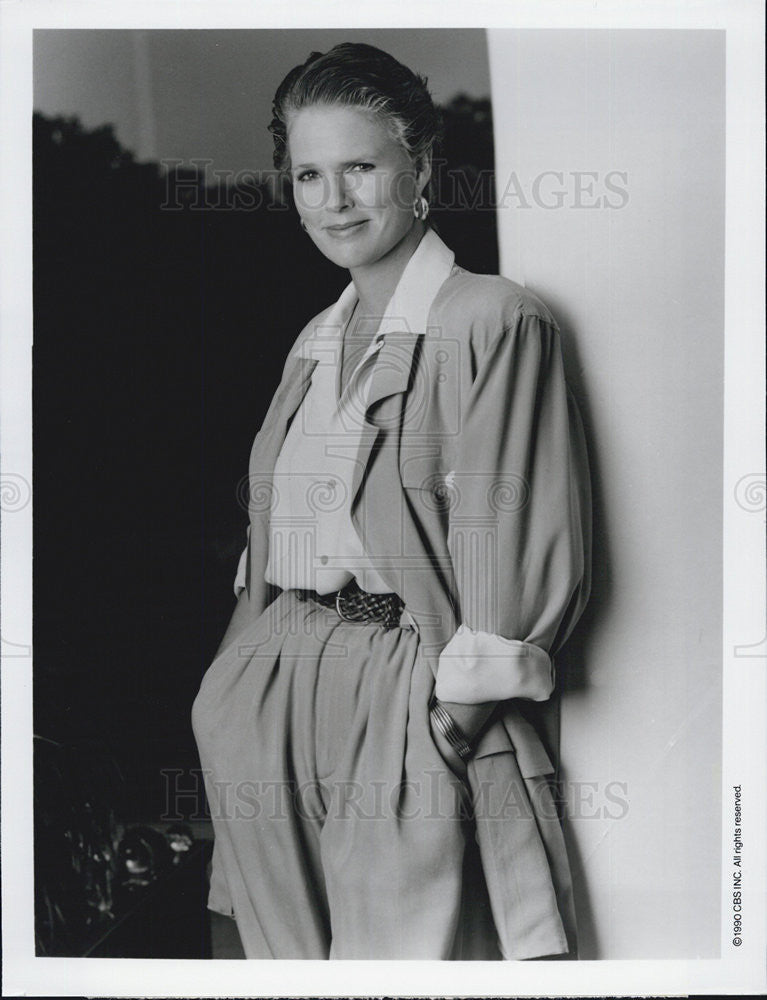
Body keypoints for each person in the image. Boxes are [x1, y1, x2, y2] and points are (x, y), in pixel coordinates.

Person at [192, 41, 591, 961]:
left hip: (403, 695)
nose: (334, 201)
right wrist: (225, 693)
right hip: (272, 688)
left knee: (416, 967)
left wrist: (445, 724)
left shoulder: (493, 318)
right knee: (267, 964)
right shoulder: (312, 341)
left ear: (420, 170)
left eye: (361, 167)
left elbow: (519, 543)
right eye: (308, 175)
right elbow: (274, 536)